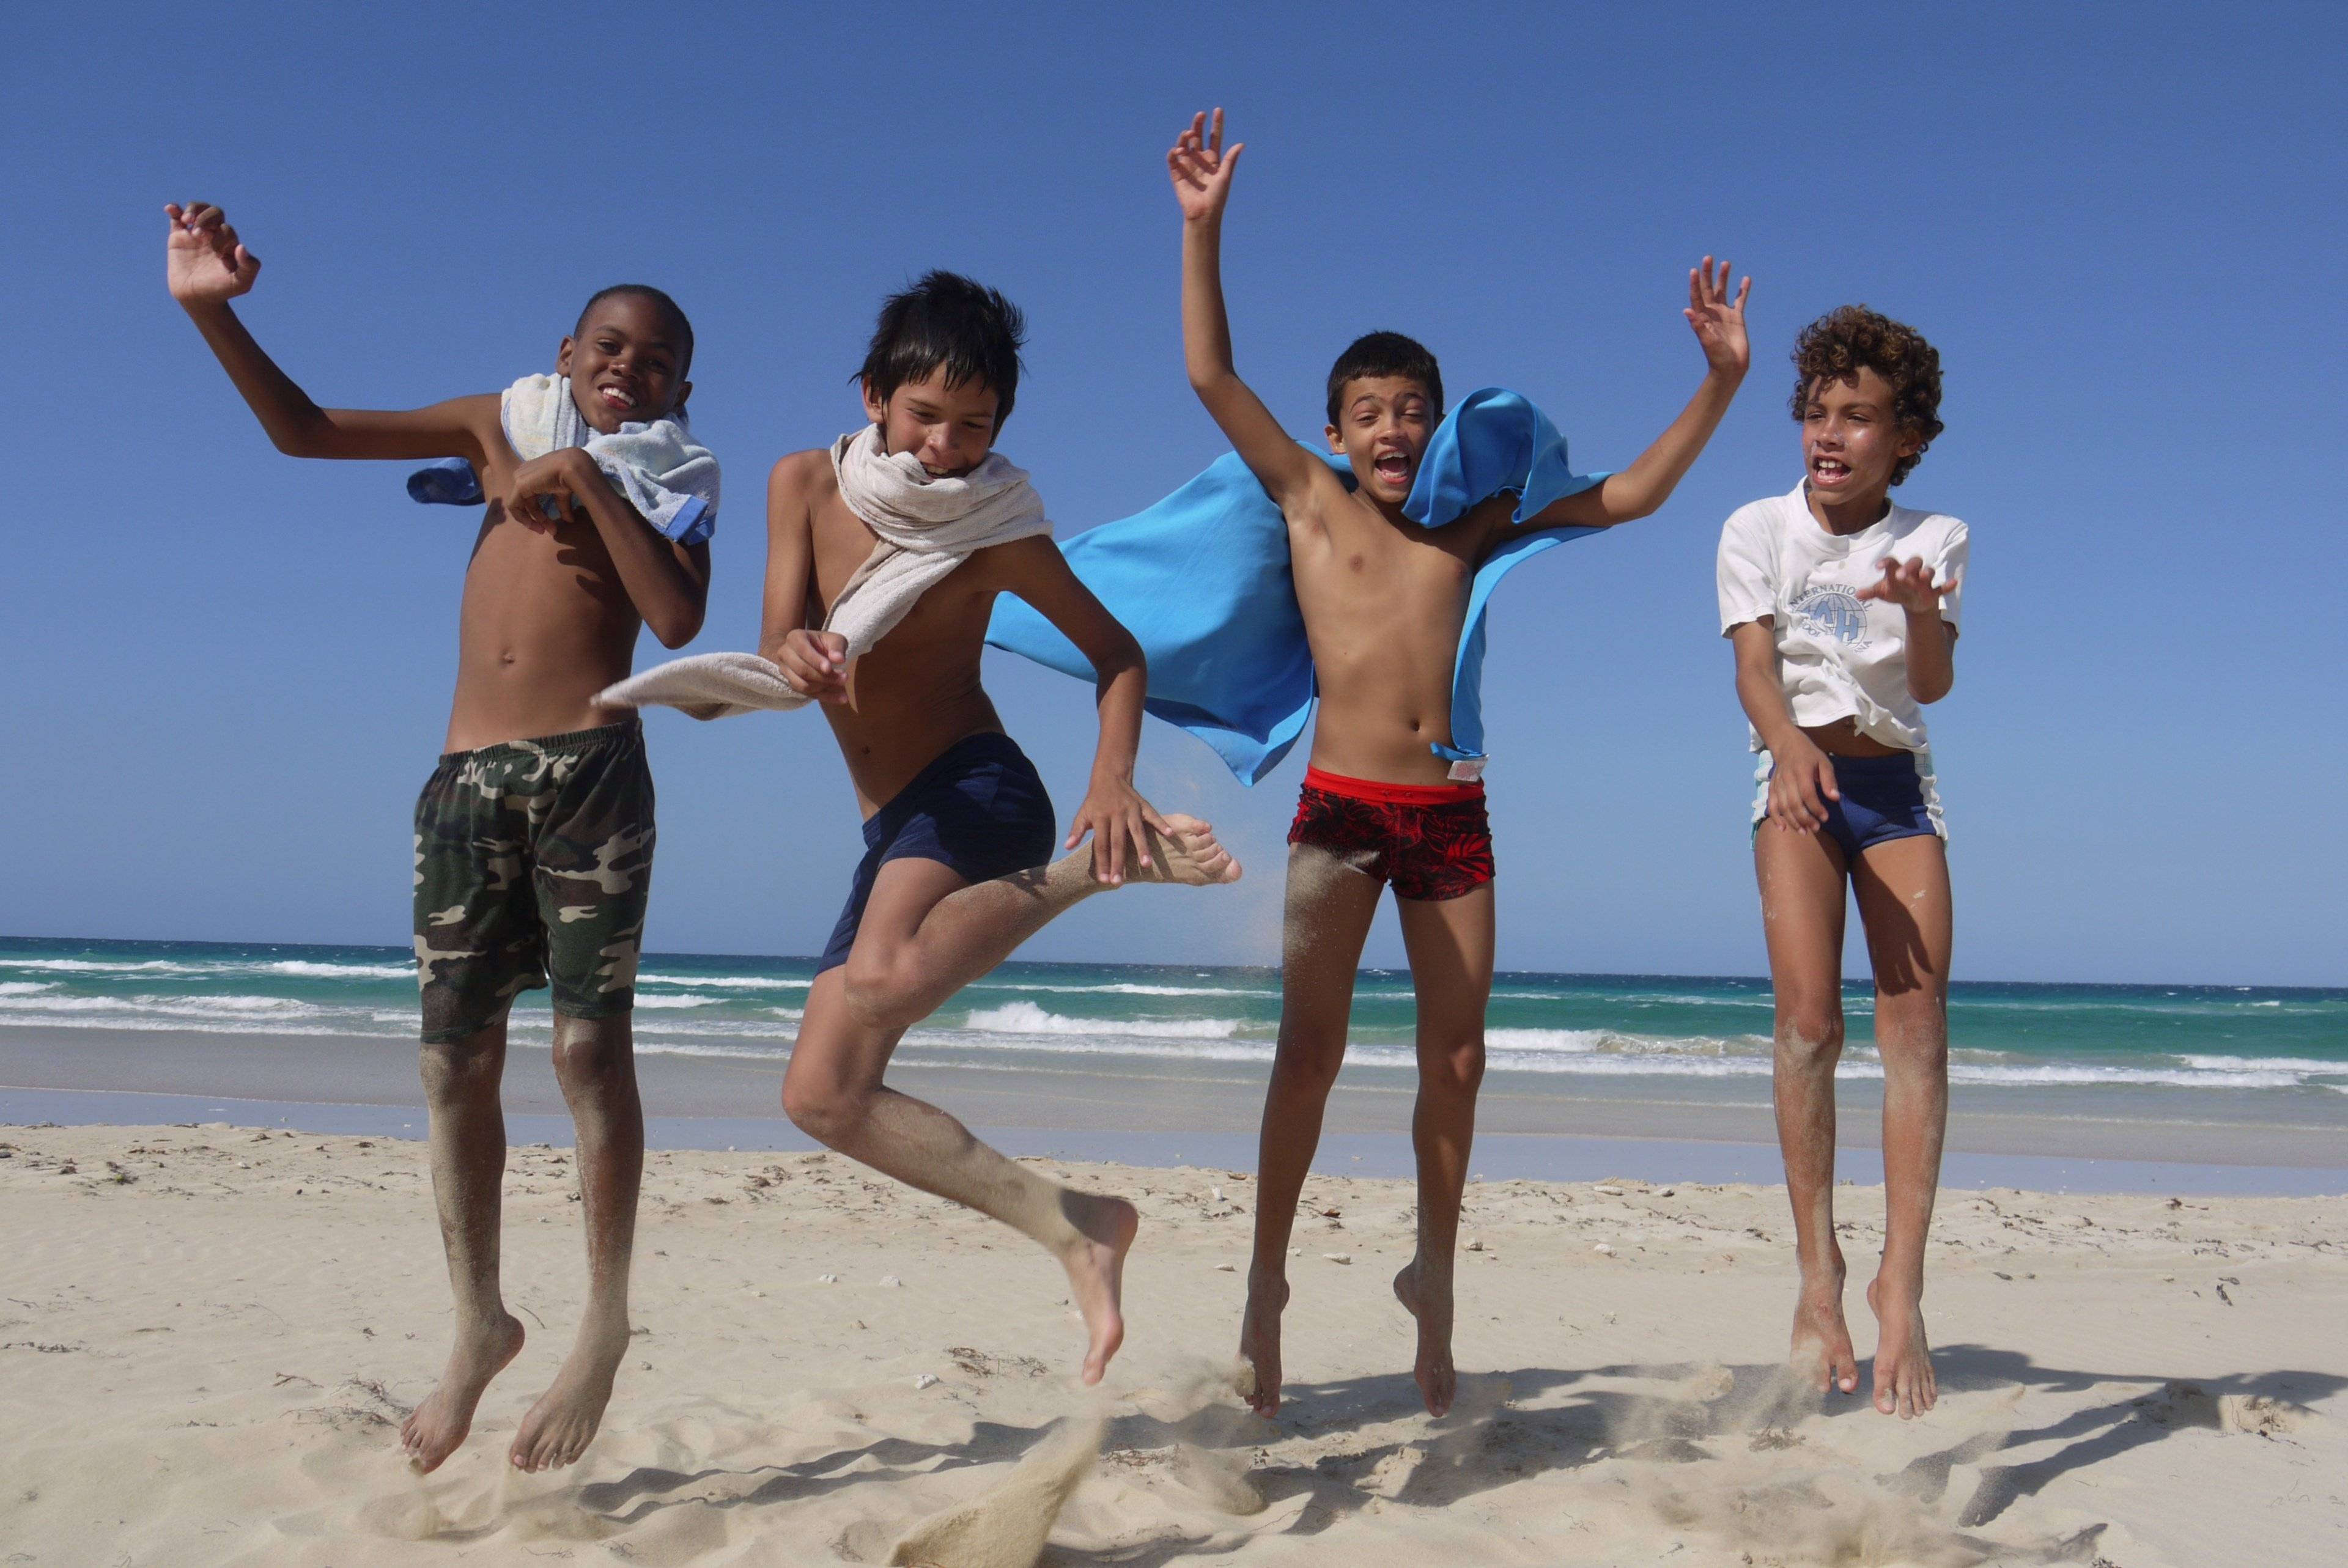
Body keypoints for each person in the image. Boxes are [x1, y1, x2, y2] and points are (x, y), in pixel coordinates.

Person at [1165, 111, 1751, 1417]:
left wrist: (1716, 383)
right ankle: (1265, 1280)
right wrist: (1204, 229)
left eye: (1410, 411)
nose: (1391, 426)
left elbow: (1631, 495)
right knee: (1306, 1054)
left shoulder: (1472, 532)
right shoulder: (1310, 504)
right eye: (1368, 410)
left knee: (1463, 1056)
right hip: (1339, 814)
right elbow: (1211, 372)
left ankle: (1433, 1276)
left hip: (1452, 813)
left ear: (1435, 430)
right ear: (1334, 427)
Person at [164, 203, 716, 1472]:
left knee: (588, 1052)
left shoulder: (678, 474)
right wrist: (213, 311)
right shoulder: (497, 423)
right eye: (606, 346)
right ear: (565, 353)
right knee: (452, 1064)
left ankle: (605, 1323)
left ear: (684, 384)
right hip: (469, 776)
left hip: (593, 767)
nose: (625, 366)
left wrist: (582, 484)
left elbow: (678, 619)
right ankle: (479, 1319)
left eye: (653, 357)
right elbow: (304, 434)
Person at [739, 271, 1240, 1384]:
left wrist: (1112, 779)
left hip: (980, 792)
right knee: (822, 1095)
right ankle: (1079, 1224)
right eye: (926, 417)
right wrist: (791, 651)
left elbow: (1120, 655)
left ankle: (1102, 865)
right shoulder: (801, 485)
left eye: (976, 428)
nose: (948, 447)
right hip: (895, 830)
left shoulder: (998, 532)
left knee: (883, 978)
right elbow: (778, 629)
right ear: (873, 396)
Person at [1715, 304, 1964, 1419]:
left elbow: (1937, 685)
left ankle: (1898, 1285)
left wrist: (1919, 612)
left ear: (1904, 437)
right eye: (1816, 411)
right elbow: (1756, 670)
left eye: (1856, 416)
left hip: (1894, 789)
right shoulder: (1757, 526)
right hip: (1795, 781)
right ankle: (1818, 1275)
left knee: (1918, 1029)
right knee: (1810, 1023)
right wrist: (1789, 748)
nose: (1829, 431)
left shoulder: (1937, 535)